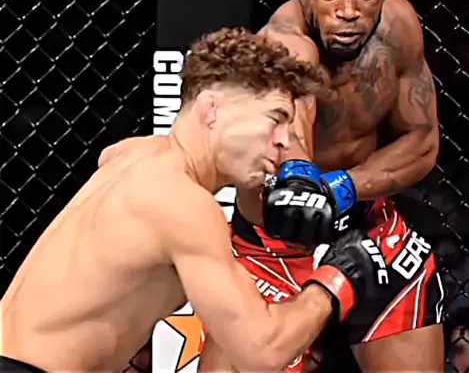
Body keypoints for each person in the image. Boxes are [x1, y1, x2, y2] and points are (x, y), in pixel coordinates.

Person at [0, 27, 393, 373]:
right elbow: (263, 351)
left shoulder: (135, 156)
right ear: (211, 109)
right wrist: (336, 280)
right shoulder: (183, 204)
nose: (284, 142)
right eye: (275, 118)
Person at [200, 0, 445, 373]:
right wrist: (299, 177)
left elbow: (423, 139)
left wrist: (341, 188)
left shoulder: (399, 29)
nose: (348, 10)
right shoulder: (282, 42)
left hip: (367, 227)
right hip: (274, 244)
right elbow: (294, 112)